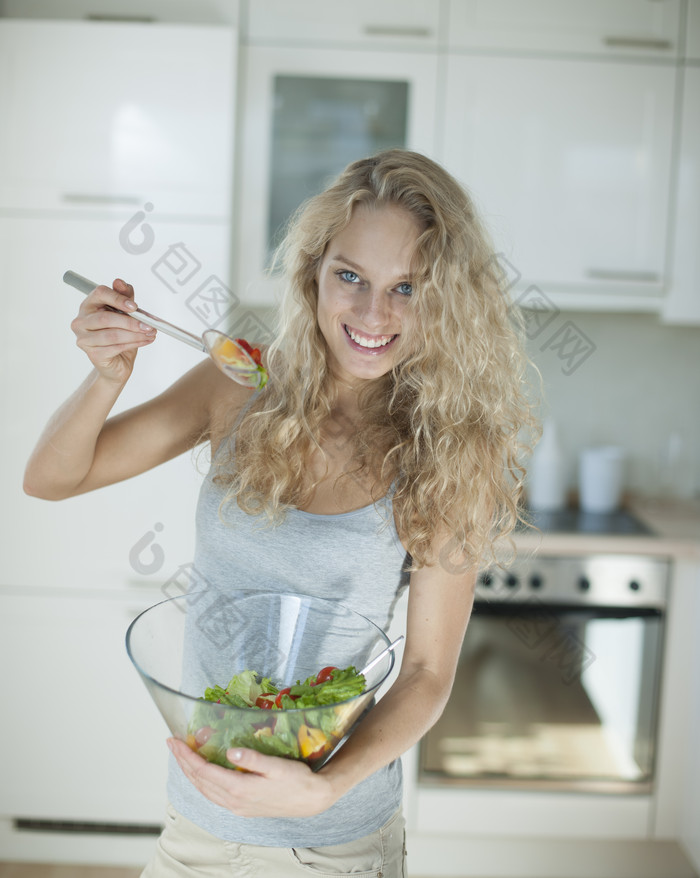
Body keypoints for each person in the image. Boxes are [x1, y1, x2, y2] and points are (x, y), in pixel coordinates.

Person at [24, 149, 535, 877]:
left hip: (335, 843)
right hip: (197, 827)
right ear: (314, 271)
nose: (371, 313)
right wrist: (107, 377)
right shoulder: (238, 383)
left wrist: (325, 785)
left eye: (408, 289)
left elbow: (425, 671)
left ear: (447, 300)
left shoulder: (450, 451)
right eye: (350, 276)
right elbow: (50, 478)